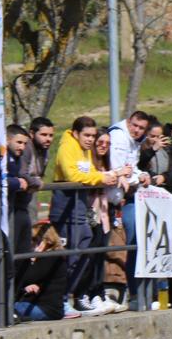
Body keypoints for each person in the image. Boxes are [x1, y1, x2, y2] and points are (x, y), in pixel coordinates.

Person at [51, 116, 121, 316]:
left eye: (92, 135)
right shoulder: (67, 147)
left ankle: (69, 296)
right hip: (66, 205)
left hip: (80, 207)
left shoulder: (84, 151)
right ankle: (62, 299)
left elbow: (88, 172)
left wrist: (101, 176)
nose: (91, 139)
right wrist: (101, 177)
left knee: (85, 246)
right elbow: (72, 175)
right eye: (87, 135)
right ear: (75, 133)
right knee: (70, 253)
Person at [0, 129, 28, 326]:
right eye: (19, 142)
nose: (22, 147)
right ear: (8, 139)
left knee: (3, 265)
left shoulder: (10, 155)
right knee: (3, 265)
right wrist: (16, 182)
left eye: (25, 144)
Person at [13, 223, 70, 322]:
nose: (31, 244)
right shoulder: (52, 256)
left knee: (7, 308)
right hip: (45, 307)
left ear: (47, 241)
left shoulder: (51, 257)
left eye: (35, 240)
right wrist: (26, 287)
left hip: (47, 310)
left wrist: (31, 259)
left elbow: (26, 277)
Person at [19, 117, 54, 226]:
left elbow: (39, 175)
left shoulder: (45, 152)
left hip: (29, 195)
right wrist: (36, 182)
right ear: (32, 134)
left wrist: (36, 181)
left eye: (51, 135)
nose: (48, 139)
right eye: (43, 135)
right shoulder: (25, 148)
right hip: (16, 198)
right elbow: (21, 173)